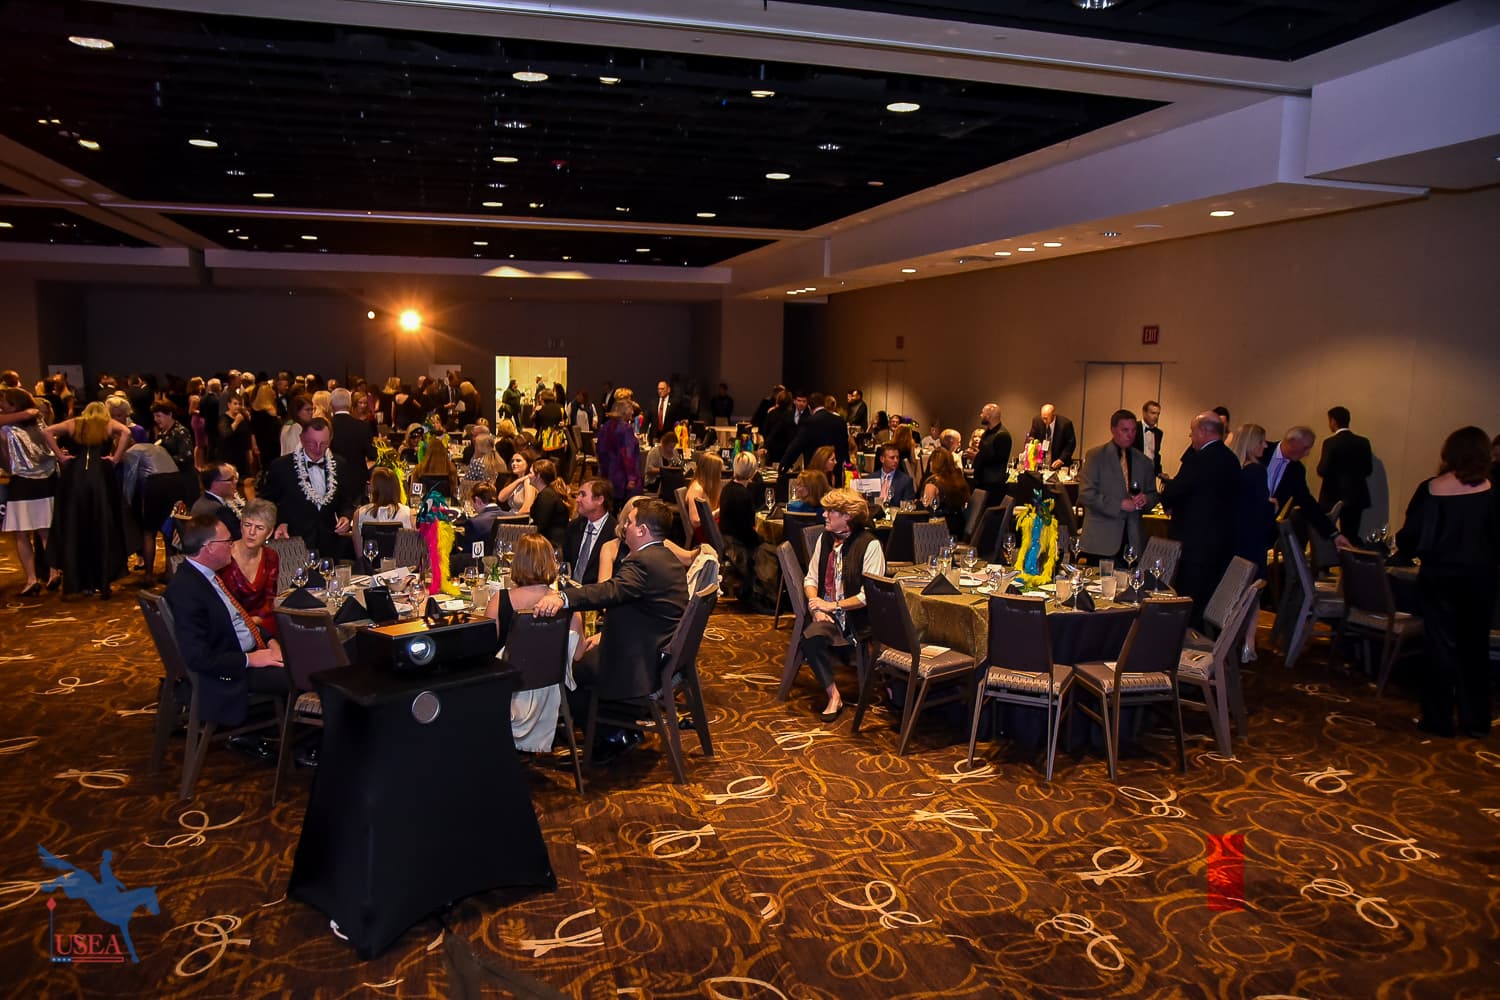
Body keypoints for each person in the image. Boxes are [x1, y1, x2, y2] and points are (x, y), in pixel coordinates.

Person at [532, 499, 689, 755]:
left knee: (567, 669)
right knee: (581, 657)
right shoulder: (667, 558)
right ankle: (618, 729)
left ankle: (608, 737)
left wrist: (563, 598)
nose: (624, 526)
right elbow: (640, 607)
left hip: (639, 666)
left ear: (643, 530)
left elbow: (609, 591)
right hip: (654, 652)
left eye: (630, 522)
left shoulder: (643, 562)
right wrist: (606, 634)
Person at [1394, 426, 1498, 739]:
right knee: (1474, 648)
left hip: (1438, 578)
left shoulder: (1431, 489)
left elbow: (1409, 538)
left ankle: (1437, 719)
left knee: (1438, 647)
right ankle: (1475, 720)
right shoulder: (1492, 492)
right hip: (1480, 579)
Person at [165, 514, 287, 731]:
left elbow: (240, 619)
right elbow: (198, 657)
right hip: (230, 672)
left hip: (251, 652)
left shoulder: (207, 576)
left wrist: (270, 642)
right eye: (228, 541)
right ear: (210, 548)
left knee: (313, 656)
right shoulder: (187, 590)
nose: (232, 545)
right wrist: (250, 659)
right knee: (309, 673)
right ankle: (292, 736)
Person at [484, 534, 587, 752]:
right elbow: (577, 655)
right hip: (550, 693)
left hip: (508, 692)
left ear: (517, 562)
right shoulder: (565, 602)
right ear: (551, 563)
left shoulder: (499, 601)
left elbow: (485, 652)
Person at [800, 489, 887, 721]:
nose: (824, 515)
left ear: (848, 516)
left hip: (857, 618)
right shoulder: (825, 539)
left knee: (819, 634)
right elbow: (810, 580)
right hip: (826, 615)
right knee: (810, 639)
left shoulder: (870, 545)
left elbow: (867, 597)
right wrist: (815, 607)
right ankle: (833, 695)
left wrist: (833, 606)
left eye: (831, 511)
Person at [43, 402, 131, 598]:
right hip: (100, 477)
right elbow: (126, 432)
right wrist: (116, 458)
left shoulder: (74, 423)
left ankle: (77, 581)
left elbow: (47, 431)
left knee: (75, 525)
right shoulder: (107, 424)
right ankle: (103, 581)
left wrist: (61, 457)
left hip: (75, 478)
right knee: (103, 524)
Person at [1160, 412, 1241, 620]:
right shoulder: (1232, 460)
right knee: (1207, 597)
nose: (1191, 436)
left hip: (1194, 543)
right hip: (1220, 544)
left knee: (1187, 599)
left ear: (1204, 431)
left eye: (1192, 431)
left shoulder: (1199, 459)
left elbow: (1175, 490)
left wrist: (1167, 500)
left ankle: (1185, 635)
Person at [260, 417, 356, 558]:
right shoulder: (281, 467)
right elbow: (266, 503)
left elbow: (347, 501)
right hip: (294, 544)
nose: (317, 449)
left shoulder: (340, 464)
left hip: (329, 544)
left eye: (323, 444)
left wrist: (346, 517)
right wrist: (280, 522)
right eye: (312, 443)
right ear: (302, 439)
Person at [0, 388, 63, 595]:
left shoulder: (7, 428)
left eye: (5, 402)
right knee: (45, 531)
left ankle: (31, 579)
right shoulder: (39, 423)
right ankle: (53, 572)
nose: (1, 405)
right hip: (46, 480)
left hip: (22, 482)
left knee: (21, 533)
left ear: (14, 405)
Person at [1078, 409, 1158, 563]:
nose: (1130, 435)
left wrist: (1146, 499)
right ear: (1113, 430)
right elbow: (1086, 494)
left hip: (1132, 539)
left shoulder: (1144, 461)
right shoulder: (1096, 456)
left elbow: (1153, 494)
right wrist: (1119, 504)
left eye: (1133, 430)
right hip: (1101, 539)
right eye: (1125, 430)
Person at [1264, 426, 1350, 551]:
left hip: (1265, 532)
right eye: (1305, 448)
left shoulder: (1297, 470)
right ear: (1292, 442)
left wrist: (1334, 534)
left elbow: (1308, 504)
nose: (1307, 453)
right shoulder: (1262, 450)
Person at [218, 499, 280, 641]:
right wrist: (246, 622)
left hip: (262, 621)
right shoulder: (224, 556)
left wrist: (257, 620)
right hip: (231, 624)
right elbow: (218, 601)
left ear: (269, 533)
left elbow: (269, 598)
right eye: (247, 525)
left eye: (259, 528)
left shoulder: (271, 556)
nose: (252, 532)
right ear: (241, 526)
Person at [1317, 406, 1373, 540]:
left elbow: (1323, 469)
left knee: (1325, 533)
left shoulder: (1330, 443)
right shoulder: (1363, 442)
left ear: (1333, 421)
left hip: (1332, 495)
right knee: (1350, 536)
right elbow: (1368, 469)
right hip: (1356, 495)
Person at [1228, 423, 1275, 574]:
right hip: (1250, 541)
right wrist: (1272, 506)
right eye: (1261, 441)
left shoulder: (1231, 469)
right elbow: (1259, 511)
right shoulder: (1256, 471)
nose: (1266, 445)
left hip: (1230, 538)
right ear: (1250, 443)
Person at [717, 451, 764, 603]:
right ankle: (762, 593)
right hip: (736, 545)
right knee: (770, 550)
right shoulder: (743, 495)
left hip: (726, 539)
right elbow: (746, 532)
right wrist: (762, 539)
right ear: (752, 472)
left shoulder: (728, 488)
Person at [780, 392, 849, 486]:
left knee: (815, 493)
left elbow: (796, 446)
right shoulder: (840, 420)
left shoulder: (808, 422)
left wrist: (784, 464)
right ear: (824, 405)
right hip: (835, 470)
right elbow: (845, 446)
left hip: (814, 472)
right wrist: (848, 463)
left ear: (809, 407)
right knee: (834, 494)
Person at [563, 478, 618, 585]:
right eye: (578, 494)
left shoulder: (615, 532)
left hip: (596, 591)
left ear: (599, 500)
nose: (577, 499)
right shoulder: (574, 526)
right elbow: (566, 562)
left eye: (583, 495)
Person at [596, 398, 642, 505]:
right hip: (621, 476)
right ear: (624, 411)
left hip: (606, 474)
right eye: (631, 409)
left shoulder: (606, 426)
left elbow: (599, 450)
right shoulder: (626, 429)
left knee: (609, 504)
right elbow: (628, 455)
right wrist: (631, 478)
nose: (632, 412)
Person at [330, 388, 375, 494]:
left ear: (331, 404)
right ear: (350, 404)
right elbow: (371, 454)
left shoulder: (327, 426)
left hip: (334, 478)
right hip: (357, 479)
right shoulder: (362, 426)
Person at [353, 467, 414, 540]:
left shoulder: (359, 514)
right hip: (402, 548)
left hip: (371, 547)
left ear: (373, 488)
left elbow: (359, 547)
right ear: (397, 487)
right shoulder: (410, 514)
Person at [921, 447, 971, 537]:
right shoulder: (958, 479)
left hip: (939, 529)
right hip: (959, 525)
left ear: (934, 463)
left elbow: (927, 508)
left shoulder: (933, 482)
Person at [965, 403, 1013, 496]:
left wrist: (977, 457)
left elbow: (998, 460)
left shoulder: (1002, 435)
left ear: (988, 416)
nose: (980, 415)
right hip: (981, 481)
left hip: (992, 485)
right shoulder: (987, 433)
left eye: (982, 413)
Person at [528, 458, 573, 549]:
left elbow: (540, 525)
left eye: (530, 473)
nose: (528, 476)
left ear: (538, 476)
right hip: (549, 541)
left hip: (552, 545)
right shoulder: (548, 493)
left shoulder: (547, 495)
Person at [191, 464, 243, 540]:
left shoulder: (202, 501)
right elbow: (237, 536)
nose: (235, 482)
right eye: (231, 479)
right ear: (215, 484)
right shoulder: (217, 509)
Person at [683, 451, 723, 545]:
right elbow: (695, 521)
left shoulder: (705, 486)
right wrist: (717, 513)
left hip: (711, 529)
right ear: (712, 472)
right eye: (719, 472)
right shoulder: (697, 489)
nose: (720, 475)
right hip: (706, 534)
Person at [1027, 404, 1077, 470]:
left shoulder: (1065, 424)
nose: (1044, 421)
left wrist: (1061, 459)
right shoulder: (1037, 421)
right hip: (1041, 463)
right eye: (1042, 418)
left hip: (1058, 462)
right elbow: (1032, 436)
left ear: (1053, 415)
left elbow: (1071, 444)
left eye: (1046, 418)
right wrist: (1031, 445)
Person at [217, 394, 254, 477]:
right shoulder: (224, 418)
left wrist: (249, 451)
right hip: (228, 454)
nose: (238, 406)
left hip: (242, 454)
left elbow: (247, 434)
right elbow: (225, 434)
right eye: (235, 404)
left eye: (239, 404)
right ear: (229, 405)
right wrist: (236, 422)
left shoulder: (243, 416)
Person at [873, 442, 916, 509]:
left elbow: (908, 507)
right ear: (882, 459)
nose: (896, 461)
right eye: (892, 458)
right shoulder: (871, 478)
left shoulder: (906, 481)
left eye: (897, 457)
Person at [1131, 400, 1165, 477]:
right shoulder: (1134, 428)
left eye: (1158, 414)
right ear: (1144, 413)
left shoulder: (1159, 433)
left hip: (1150, 474)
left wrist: (1159, 472)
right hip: (1134, 472)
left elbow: (1156, 454)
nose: (1156, 417)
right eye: (1153, 413)